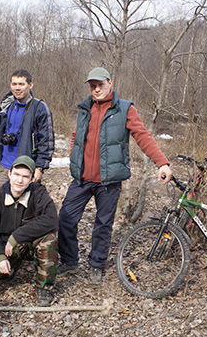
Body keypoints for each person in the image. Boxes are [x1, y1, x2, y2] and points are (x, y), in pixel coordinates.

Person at [58, 67, 172, 284]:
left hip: (108, 181)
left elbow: (143, 136)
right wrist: (74, 157)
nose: (96, 89)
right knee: (66, 218)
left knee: (103, 224)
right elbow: (76, 135)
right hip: (82, 178)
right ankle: (70, 261)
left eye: (100, 84)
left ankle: (97, 264)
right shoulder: (85, 108)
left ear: (110, 82)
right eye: (92, 85)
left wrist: (162, 162)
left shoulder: (124, 109)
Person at [0, 156, 59, 306]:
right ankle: (11, 265)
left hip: (29, 243)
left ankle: (44, 287)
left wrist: (17, 236)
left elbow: (51, 219)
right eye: (17, 175)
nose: (20, 180)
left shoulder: (38, 193)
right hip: (5, 247)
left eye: (25, 177)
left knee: (49, 238)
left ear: (32, 178)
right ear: (9, 174)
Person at [0, 69, 54, 187]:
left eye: (21, 84)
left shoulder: (39, 108)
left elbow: (46, 141)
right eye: (14, 84)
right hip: (6, 167)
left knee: (24, 204)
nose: (17, 88)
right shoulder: (6, 105)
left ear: (30, 85)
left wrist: (40, 167)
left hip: (26, 168)